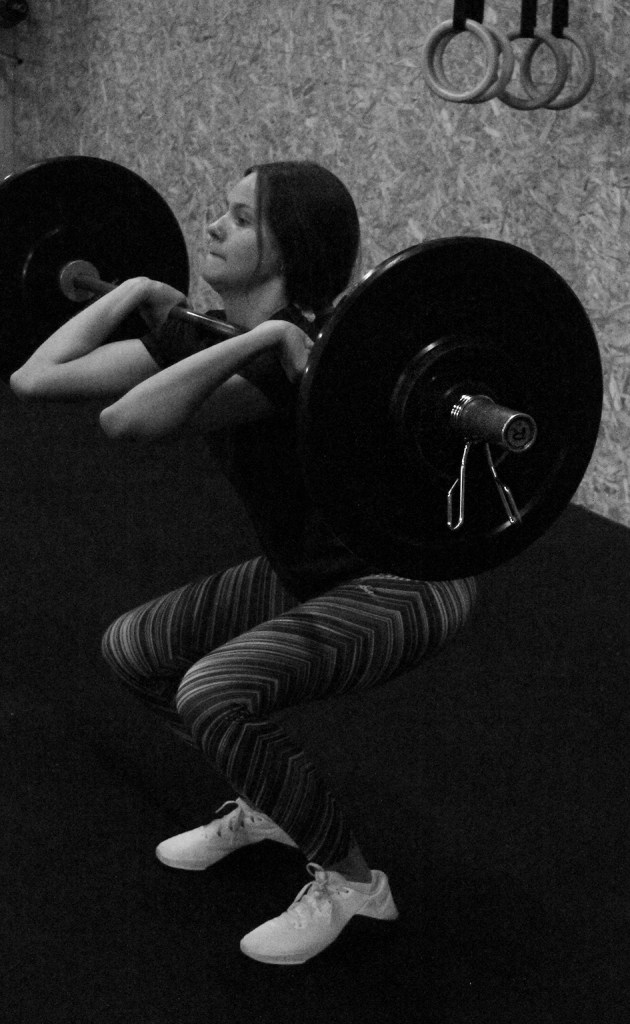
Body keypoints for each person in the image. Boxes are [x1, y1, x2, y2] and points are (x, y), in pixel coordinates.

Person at [11, 160, 477, 965]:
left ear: (286, 248)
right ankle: (269, 799)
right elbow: (32, 379)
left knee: (212, 691)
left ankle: (354, 884)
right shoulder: (222, 340)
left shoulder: (295, 357)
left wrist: (257, 336)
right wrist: (134, 292)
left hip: (402, 583)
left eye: (239, 217)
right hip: (304, 568)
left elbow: (127, 422)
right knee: (136, 650)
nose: (213, 226)